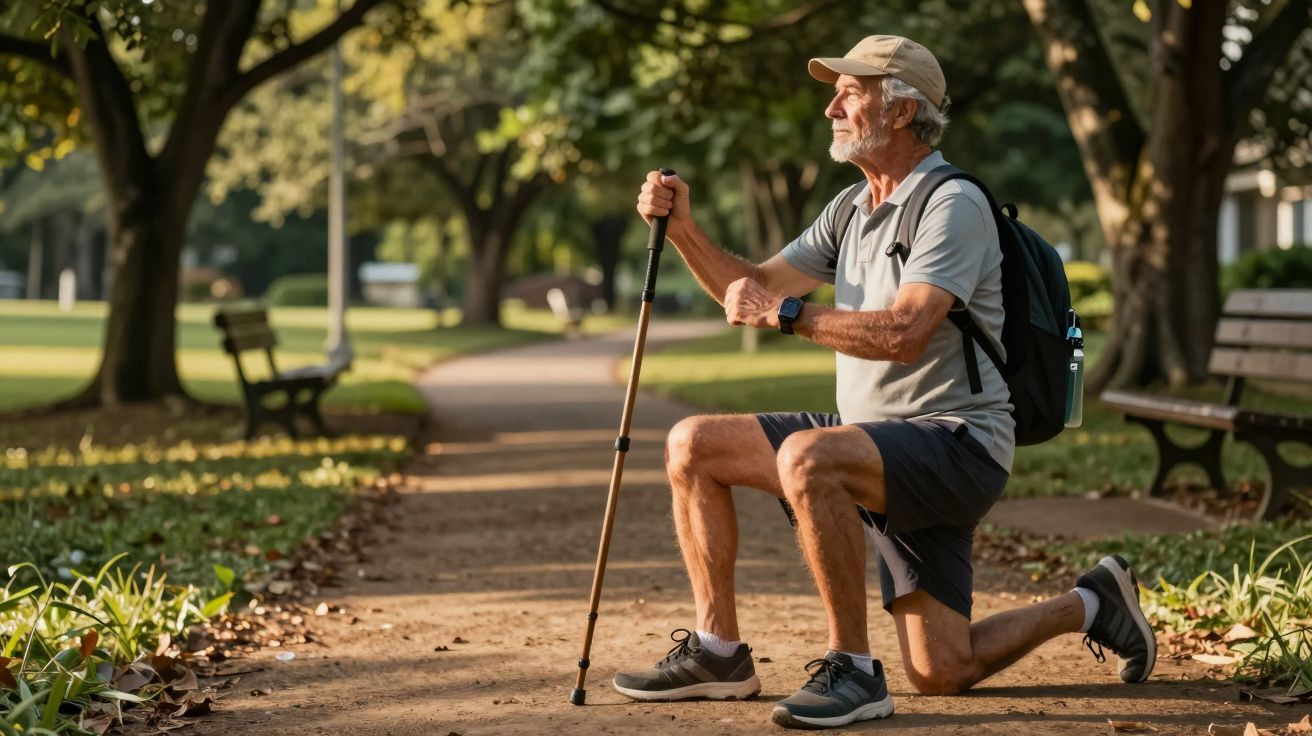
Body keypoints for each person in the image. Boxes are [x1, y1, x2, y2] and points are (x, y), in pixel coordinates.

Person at [610, 35, 1156, 730]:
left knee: (809, 457)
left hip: (957, 446)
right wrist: (684, 229)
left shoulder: (951, 205)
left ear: (900, 112)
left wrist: (787, 315)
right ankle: (1093, 602)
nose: (832, 105)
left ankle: (855, 672)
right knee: (941, 668)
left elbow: (905, 333)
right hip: (874, 450)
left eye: (851, 91)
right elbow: (752, 290)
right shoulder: (852, 208)